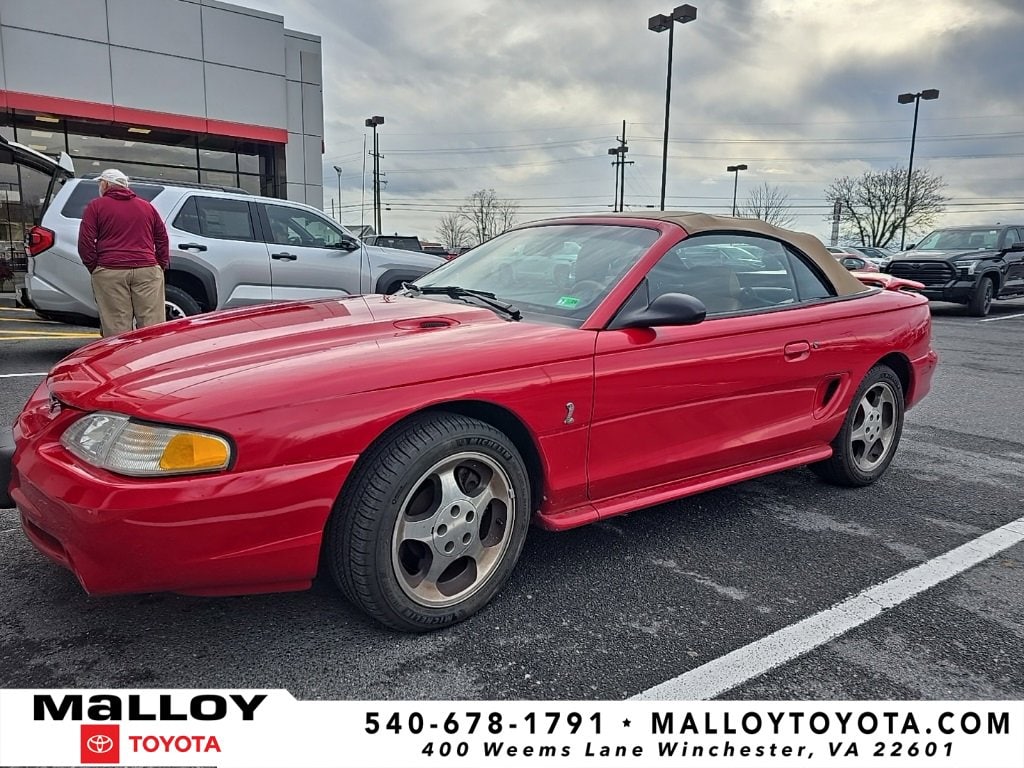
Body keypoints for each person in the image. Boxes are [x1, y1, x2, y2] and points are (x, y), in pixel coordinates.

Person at [78, 169, 169, 337]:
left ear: (105, 184)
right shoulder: (147, 207)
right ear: (126, 186)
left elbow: (85, 242)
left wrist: (96, 267)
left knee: (116, 325)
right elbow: (162, 238)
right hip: (147, 268)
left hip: (110, 269)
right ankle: (150, 360)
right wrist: (159, 265)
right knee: (152, 324)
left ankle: (119, 361)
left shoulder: (96, 206)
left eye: (100, 183)